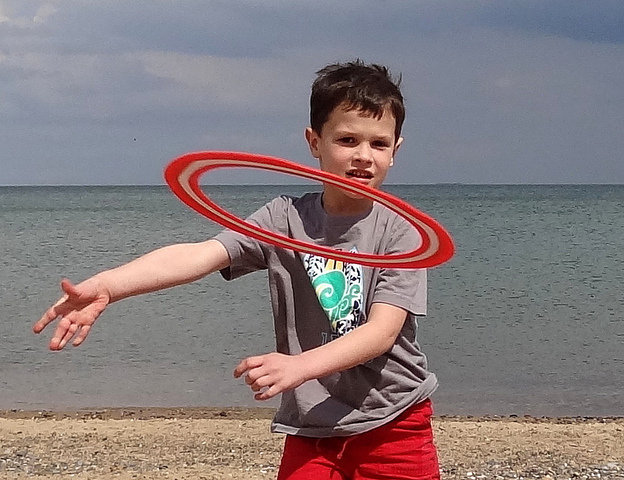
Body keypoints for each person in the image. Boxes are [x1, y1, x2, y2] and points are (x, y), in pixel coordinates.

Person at [33, 60, 441, 480]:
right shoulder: (284, 218)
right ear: (314, 142)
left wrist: (298, 367)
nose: (363, 156)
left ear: (395, 150)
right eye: (347, 140)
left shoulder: (404, 233)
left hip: (394, 421)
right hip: (314, 425)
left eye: (378, 144)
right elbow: (201, 255)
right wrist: (109, 285)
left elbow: (381, 332)